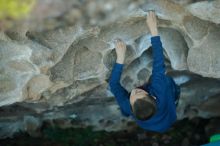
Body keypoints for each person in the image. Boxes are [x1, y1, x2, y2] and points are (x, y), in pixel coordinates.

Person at [109, 11, 180, 133]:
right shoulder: (160, 91)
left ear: (131, 107)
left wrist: (120, 58)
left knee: (124, 109)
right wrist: (153, 29)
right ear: (152, 96)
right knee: (167, 83)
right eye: (139, 92)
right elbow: (158, 64)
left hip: (149, 124)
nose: (134, 91)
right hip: (168, 115)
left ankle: (126, 114)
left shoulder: (127, 105)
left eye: (132, 95)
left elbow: (113, 84)